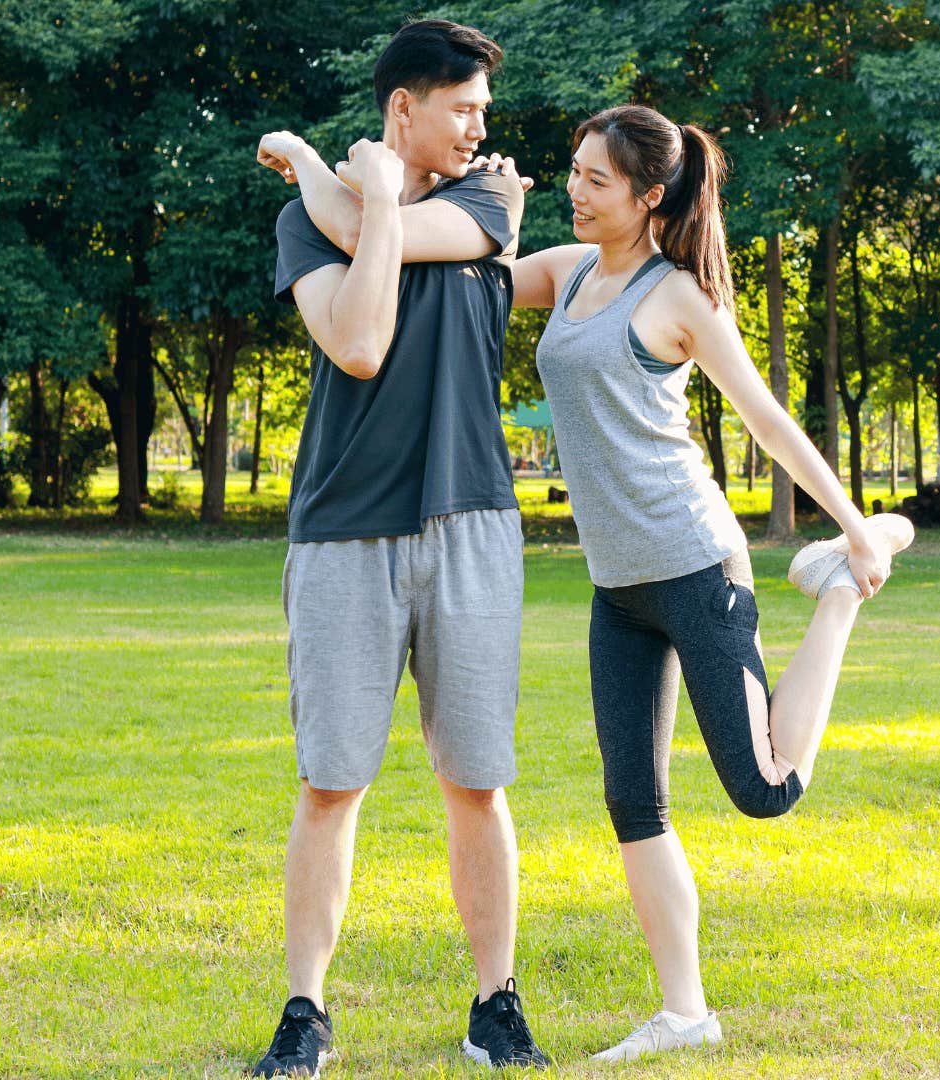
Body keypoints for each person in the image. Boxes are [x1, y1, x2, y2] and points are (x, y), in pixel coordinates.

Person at [504, 104, 913, 1062]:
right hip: (619, 589)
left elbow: (768, 421)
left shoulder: (677, 296)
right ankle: (684, 1012)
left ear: (651, 197)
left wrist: (853, 528)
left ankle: (839, 598)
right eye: (573, 172)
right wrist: (444, 194)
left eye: (596, 181)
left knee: (764, 790)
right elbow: (474, 274)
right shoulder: (567, 273)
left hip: (695, 566)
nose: (576, 190)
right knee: (632, 803)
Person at [251, 18, 548, 1075]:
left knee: (478, 778)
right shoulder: (307, 226)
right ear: (403, 109)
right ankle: (305, 1012)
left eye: (483, 111)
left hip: (471, 519)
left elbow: (363, 222)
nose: (479, 128)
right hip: (342, 530)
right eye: (460, 108)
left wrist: (339, 178)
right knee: (332, 781)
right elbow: (362, 343)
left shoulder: (490, 203)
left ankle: (495, 1002)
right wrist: (343, 186)